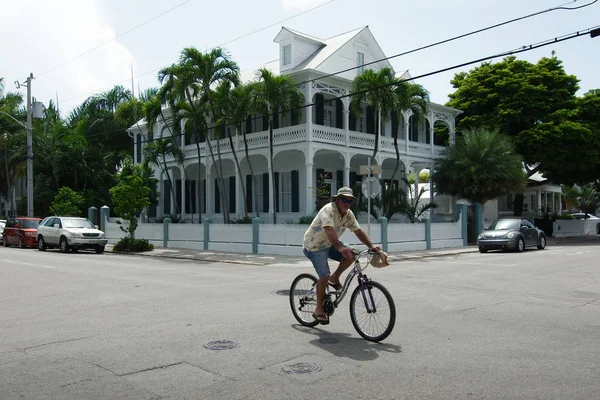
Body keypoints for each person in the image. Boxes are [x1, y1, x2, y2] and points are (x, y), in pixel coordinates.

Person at [303, 186, 381, 324]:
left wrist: (372, 247)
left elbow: (358, 231)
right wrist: (339, 247)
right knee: (324, 275)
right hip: (314, 246)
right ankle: (319, 308)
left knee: (351, 254)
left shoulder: (348, 214)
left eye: (350, 201)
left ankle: (335, 277)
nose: (347, 203)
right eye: (344, 200)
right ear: (337, 200)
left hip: (329, 243)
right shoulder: (328, 210)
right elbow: (329, 230)